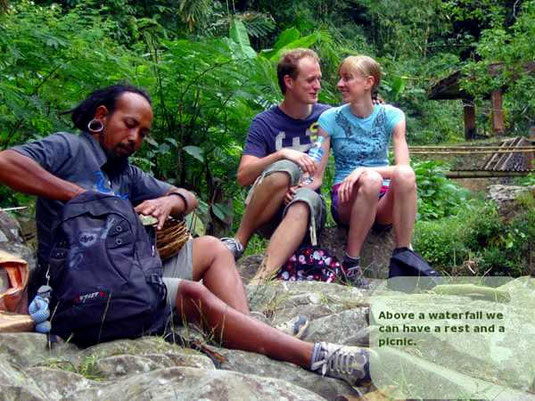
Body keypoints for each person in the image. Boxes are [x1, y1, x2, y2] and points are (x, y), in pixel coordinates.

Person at [0, 84, 372, 386]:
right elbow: (6, 161)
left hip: (124, 279)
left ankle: (252, 330)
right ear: (101, 117)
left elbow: (188, 197)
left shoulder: (125, 172)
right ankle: (314, 356)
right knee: (193, 294)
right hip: (76, 293)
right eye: (129, 125)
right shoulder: (69, 148)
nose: (135, 138)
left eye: (143, 133)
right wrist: (80, 196)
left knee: (212, 247)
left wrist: (170, 203)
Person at [222, 49, 330, 283]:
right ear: (289, 82)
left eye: (319, 79)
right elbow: (243, 176)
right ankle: (240, 241)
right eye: (311, 80)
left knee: (305, 198)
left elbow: (363, 118)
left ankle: (259, 282)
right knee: (286, 168)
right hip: (268, 211)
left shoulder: (328, 117)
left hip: (307, 210)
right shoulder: (264, 122)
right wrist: (281, 154)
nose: (318, 86)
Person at [317, 55, 418, 285]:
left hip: (382, 201)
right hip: (346, 199)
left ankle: (404, 257)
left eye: (347, 78)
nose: (340, 84)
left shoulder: (392, 116)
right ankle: (351, 265)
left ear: (368, 82)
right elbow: (316, 173)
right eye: (340, 79)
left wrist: (362, 169)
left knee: (404, 176)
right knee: (371, 180)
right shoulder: (329, 119)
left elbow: (404, 168)